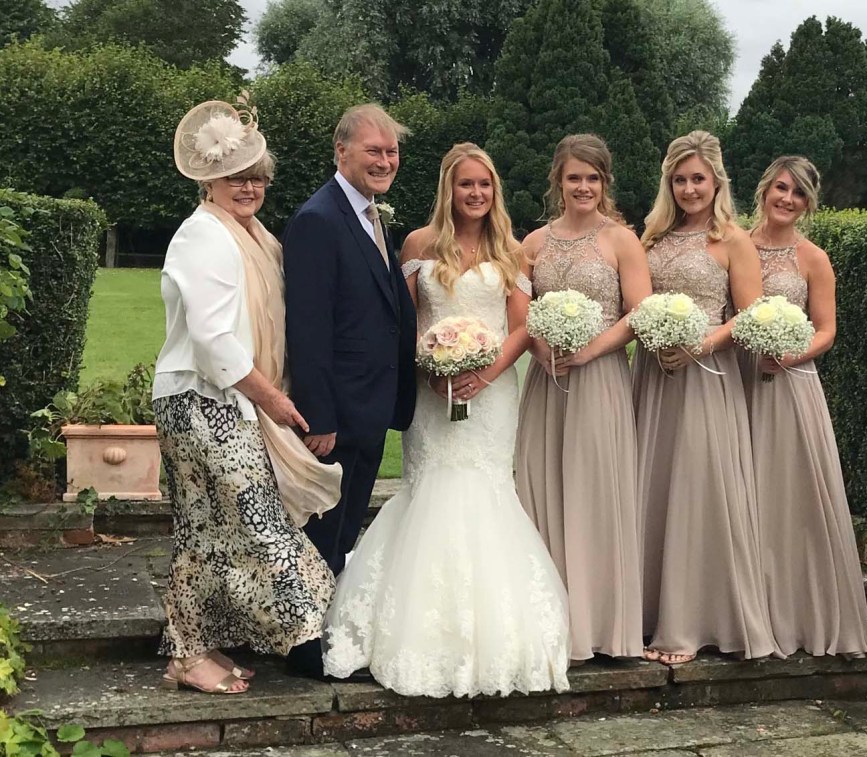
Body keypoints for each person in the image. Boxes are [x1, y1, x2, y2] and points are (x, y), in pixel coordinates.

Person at [322, 143, 570, 697]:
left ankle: (493, 633)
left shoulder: (511, 250)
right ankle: (411, 624)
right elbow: (400, 319)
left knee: (485, 491)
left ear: (494, 190)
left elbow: (521, 328)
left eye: (484, 185)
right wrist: (428, 365)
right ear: (448, 189)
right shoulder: (417, 244)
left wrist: (482, 375)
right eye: (465, 185)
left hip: (493, 395)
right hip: (432, 395)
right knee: (430, 489)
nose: (476, 194)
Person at [154, 98, 342, 694]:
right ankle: (314, 628)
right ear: (209, 178)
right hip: (201, 400)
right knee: (255, 520)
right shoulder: (203, 236)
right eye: (237, 176)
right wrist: (274, 400)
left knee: (206, 528)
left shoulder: (252, 235)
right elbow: (213, 342)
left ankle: (191, 652)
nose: (250, 186)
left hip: (221, 400)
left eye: (258, 175)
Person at [633, 130, 778, 664]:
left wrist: (703, 342)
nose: (690, 188)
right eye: (680, 179)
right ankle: (646, 615)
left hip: (707, 377)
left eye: (698, 178)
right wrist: (655, 338)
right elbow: (635, 302)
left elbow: (752, 312)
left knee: (699, 490)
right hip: (654, 376)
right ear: (668, 184)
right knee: (653, 486)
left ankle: (693, 621)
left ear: (716, 181)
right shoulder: (651, 238)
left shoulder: (733, 240)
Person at [515, 134, 648, 663]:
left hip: (601, 380)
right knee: (544, 487)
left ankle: (603, 625)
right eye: (575, 177)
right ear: (559, 181)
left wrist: (591, 350)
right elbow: (520, 310)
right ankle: (548, 620)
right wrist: (542, 343)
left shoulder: (621, 241)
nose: (584, 187)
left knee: (597, 491)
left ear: (604, 183)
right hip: (548, 382)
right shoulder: (532, 243)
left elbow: (639, 312)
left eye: (593, 178)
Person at [742, 156, 867, 658]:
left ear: (808, 203)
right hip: (735, 380)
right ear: (765, 189)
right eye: (781, 188)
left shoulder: (813, 258)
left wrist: (788, 355)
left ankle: (794, 611)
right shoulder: (735, 245)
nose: (787, 199)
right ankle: (739, 608)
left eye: (798, 193)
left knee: (786, 494)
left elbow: (826, 329)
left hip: (790, 383)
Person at [283, 104, 418, 582]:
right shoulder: (318, 220)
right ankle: (307, 650)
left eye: (392, 152)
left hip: (371, 408)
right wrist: (319, 417)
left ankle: (329, 630)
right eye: (373, 151)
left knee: (342, 537)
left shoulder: (370, 216)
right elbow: (308, 326)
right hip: (337, 417)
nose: (385, 161)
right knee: (321, 535)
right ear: (341, 153)